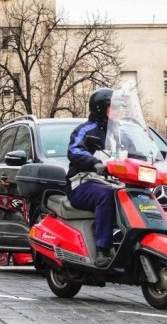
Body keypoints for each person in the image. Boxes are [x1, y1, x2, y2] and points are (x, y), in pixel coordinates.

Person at [66, 87, 126, 268]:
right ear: (101, 108)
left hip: (110, 183)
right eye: (113, 107)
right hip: (82, 183)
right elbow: (74, 150)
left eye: (119, 107)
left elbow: (134, 153)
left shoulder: (119, 133)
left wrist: (150, 161)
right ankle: (103, 249)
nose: (118, 111)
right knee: (106, 195)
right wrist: (93, 162)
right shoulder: (86, 130)